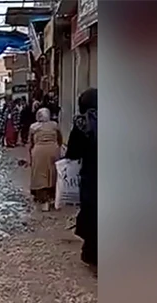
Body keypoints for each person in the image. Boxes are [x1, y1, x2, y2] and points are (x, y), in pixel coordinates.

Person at [64, 88, 97, 266]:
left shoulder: (82, 124)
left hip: (92, 177)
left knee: (92, 214)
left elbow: (73, 153)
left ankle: (93, 254)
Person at [28, 108, 63, 211]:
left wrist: (30, 154)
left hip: (38, 151)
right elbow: (60, 139)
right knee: (53, 173)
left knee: (39, 174)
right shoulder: (54, 125)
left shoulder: (33, 127)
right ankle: (53, 197)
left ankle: (43, 201)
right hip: (53, 150)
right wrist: (57, 148)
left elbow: (30, 142)